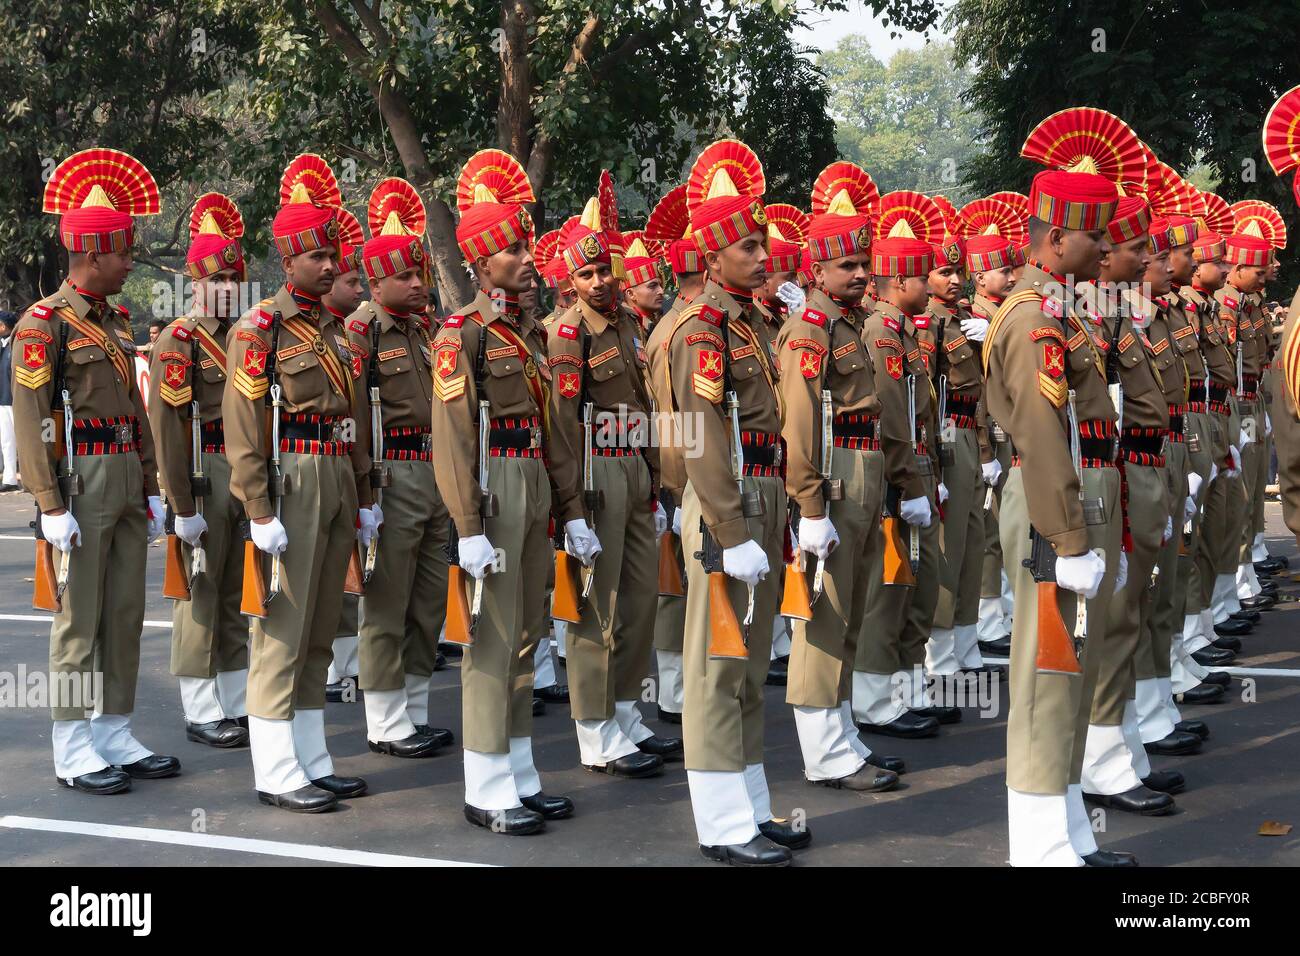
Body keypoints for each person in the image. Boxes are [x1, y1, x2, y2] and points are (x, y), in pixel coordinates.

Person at [15, 148, 179, 794]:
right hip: (79, 480)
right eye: (124, 253)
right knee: (79, 618)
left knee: (124, 612)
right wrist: (50, 504)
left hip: (120, 476)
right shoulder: (45, 324)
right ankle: (71, 743)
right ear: (91, 255)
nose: (132, 263)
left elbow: (134, 411)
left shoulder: (113, 321)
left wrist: (152, 485)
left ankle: (113, 730)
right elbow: (33, 420)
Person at [983, 166, 1134, 866]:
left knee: (1073, 670)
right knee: (1049, 675)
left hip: (1077, 500)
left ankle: (1067, 831)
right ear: (1059, 236)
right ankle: (1041, 849)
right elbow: (1043, 436)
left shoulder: (1063, 306)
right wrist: (1069, 536)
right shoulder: (1035, 316)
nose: (1105, 249)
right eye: (1095, 236)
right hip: (1054, 509)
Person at [664, 139, 806, 866]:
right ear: (713, 258)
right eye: (748, 247)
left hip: (762, 495)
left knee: (750, 666)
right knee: (719, 666)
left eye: (763, 244)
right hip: (731, 503)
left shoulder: (748, 323)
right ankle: (721, 822)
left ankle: (751, 805)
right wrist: (729, 525)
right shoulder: (702, 329)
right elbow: (698, 437)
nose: (763, 256)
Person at [431, 148, 576, 834]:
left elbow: (554, 428)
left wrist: (569, 507)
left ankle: (519, 772)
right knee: (490, 639)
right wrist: (466, 524)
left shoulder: (531, 331)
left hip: (533, 484)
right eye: (512, 248)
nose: (527, 257)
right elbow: (455, 436)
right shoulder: (461, 335)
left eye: (526, 245)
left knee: (525, 635)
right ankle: (487, 784)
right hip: (492, 487)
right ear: (482, 263)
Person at [223, 154, 372, 812]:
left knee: (322, 625)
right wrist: (258, 507)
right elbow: (244, 424)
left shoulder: (337, 329)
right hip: (295, 480)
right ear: (289, 261)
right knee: (283, 626)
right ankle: (276, 767)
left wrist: (364, 494)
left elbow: (355, 418)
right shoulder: (260, 331)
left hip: (337, 476)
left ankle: (311, 754)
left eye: (333, 255)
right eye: (317, 258)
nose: (331, 266)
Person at [779, 161, 903, 792]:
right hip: (834, 476)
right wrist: (810, 507)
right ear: (817, 271)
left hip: (865, 469)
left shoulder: (852, 324)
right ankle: (823, 752)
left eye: (863, 262)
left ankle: (842, 730)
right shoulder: (811, 330)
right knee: (824, 617)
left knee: (850, 609)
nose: (859, 272)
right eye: (846, 265)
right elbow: (801, 422)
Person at [546, 198, 679, 776]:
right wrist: (571, 508)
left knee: (638, 603)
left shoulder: (628, 323)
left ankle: (625, 712)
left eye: (605, 271)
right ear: (570, 280)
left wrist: (657, 480)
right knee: (595, 608)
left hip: (632, 468)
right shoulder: (568, 334)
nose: (600, 281)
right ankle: (595, 729)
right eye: (586, 273)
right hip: (596, 470)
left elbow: (645, 408)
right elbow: (563, 425)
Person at [345, 177, 454, 757]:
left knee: (429, 601)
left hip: (437, 471)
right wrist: (365, 492)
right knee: (386, 602)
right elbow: (356, 413)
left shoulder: (428, 328)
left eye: (420, 274)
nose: (417, 284)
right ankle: (384, 720)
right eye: (405, 276)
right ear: (376, 280)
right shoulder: (361, 330)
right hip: (392, 473)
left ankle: (414, 710)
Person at [148, 192, 251, 748]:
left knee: (237, 588)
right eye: (218, 278)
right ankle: (199, 706)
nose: (228, 287)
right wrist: (179, 505)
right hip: (202, 466)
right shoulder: (178, 341)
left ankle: (234, 699)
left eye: (234, 276)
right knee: (199, 591)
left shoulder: (244, 337)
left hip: (242, 465)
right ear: (196, 281)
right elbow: (166, 428)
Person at [852, 193, 942, 738]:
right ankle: (873, 698)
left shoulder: (905, 331)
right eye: (923, 276)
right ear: (900, 283)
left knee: (917, 587)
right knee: (889, 590)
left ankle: (903, 688)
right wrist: (907, 480)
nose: (931, 284)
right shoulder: (882, 333)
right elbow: (889, 417)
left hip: (918, 469)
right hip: (895, 476)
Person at [325, 209, 367, 703]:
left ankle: (344, 668)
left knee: (347, 576)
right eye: (348, 280)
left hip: (342, 462)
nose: (354, 289)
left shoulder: (340, 335)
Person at [0, 310, 19, 490]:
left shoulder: (16, 344)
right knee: (7, 442)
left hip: (17, 401)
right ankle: (10, 479)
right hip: (3, 400)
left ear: (4, 326)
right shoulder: (3, 346)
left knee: (24, 440)